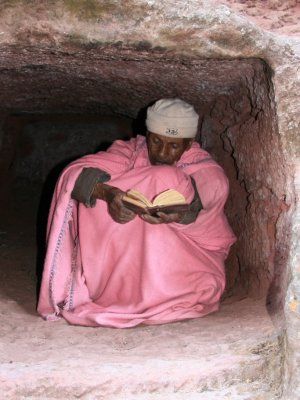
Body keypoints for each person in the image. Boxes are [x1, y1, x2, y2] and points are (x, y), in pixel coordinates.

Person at [37, 98, 236, 328]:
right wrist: (109, 194)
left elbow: (215, 188)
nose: (162, 153)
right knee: (96, 189)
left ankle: (160, 294)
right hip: (121, 275)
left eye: (173, 146)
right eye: (156, 141)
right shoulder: (130, 152)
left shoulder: (201, 165)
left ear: (188, 144)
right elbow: (74, 176)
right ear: (147, 135)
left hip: (184, 277)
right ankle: (118, 294)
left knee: (166, 177)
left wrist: (182, 213)